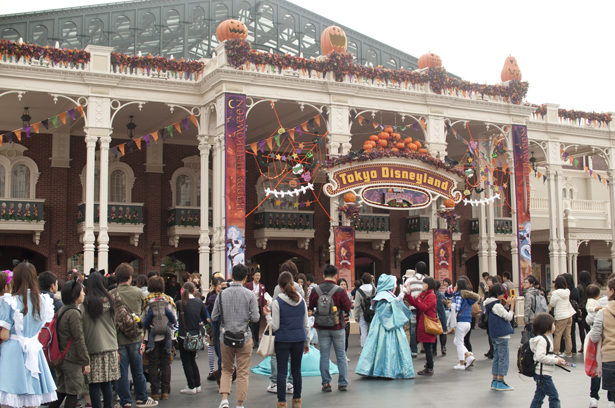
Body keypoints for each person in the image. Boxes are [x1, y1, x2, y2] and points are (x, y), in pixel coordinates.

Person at [0, 262, 57, 408]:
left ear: (16, 279)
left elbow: (5, 335)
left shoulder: (9, 301)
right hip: (34, 349)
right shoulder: (43, 301)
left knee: (10, 397)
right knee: (32, 397)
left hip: (12, 352)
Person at [212, 264, 259, 408]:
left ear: (232, 276)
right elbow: (256, 318)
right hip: (244, 337)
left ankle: (224, 399)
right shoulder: (250, 294)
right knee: (243, 372)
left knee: (226, 368)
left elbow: (214, 317)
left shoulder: (221, 294)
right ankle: (240, 404)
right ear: (246, 278)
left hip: (226, 337)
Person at [113, 263, 157, 408]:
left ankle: (125, 400)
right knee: (137, 370)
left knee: (121, 372)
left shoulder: (112, 294)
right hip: (136, 337)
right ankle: (142, 398)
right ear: (130, 277)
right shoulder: (138, 292)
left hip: (118, 338)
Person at [263, 271, 309, 408]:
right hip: (299, 339)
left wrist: (267, 317)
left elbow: (275, 326)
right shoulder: (301, 301)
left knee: (282, 372)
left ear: (280, 286)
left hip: (283, 340)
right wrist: (307, 342)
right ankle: (297, 400)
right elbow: (306, 324)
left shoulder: (277, 302)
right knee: (296, 370)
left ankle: (282, 402)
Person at [355, 274, 414, 379]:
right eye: (394, 283)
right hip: (383, 325)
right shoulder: (383, 295)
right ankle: (385, 370)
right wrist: (398, 299)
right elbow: (384, 312)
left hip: (382, 325)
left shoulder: (388, 295)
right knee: (386, 346)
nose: (395, 286)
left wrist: (399, 299)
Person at [309, 264, 352, 392]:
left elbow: (310, 306)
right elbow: (348, 307)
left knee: (324, 355)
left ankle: (326, 383)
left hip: (322, 327)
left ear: (323, 275)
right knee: (341, 355)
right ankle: (342, 382)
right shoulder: (340, 290)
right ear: (336, 276)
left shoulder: (315, 290)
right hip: (338, 326)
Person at [49, 277, 89, 408]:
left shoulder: (62, 310)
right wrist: (86, 361)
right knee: (73, 393)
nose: (83, 293)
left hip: (61, 357)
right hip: (71, 359)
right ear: (74, 295)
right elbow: (79, 339)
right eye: (81, 291)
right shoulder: (73, 313)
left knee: (61, 392)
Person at [81, 272, 120, 408]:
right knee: (107, 383)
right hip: (110, 346)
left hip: (92, 347)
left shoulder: (85, 304)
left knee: (93, 384)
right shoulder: (110, 301)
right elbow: (115, 324)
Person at [267, 261, 305, 395]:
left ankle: (277, 388)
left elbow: (275, 308)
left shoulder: (279, 289)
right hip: (298, 334)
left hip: (283, 334)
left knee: (278, 362)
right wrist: (307, 340)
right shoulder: (300, 290)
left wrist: (268, 311)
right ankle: (295, 394)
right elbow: (304, 318)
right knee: (296, 369)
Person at [142, 276, 176, 400]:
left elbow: (142, 319)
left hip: (151, 335)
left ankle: (154, 391)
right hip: (167, 336)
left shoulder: (146, 300)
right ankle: (165, 391)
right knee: (166, 364)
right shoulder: (169, 300)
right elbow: (174, 318)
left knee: (153, 364)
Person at [177, 282, 210, 395]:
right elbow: (205, 317)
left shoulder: (180, 303)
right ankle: (197, 384)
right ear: (193, 290)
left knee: (186, 361)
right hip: (195, 335)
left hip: (183, 336)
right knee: (192, 360)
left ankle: (191, 386)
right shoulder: (199, 302)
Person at [529, 313, 566, 408]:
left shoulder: (545, 339)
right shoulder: (542, 340)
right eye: (553, 324)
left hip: (541, 373)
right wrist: (555, 361)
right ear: (547, 326)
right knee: (554, 396)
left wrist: (556, 359)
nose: (555, 326)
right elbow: (540, 357)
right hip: (544, 374)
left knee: (539, 397)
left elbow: (546, 355)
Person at [484, 283, 516, 391]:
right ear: (498, 294)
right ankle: (501, 381)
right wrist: (512, 306)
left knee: (497, 357)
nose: (503, 296)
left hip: (494, 334)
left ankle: (495, 380)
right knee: (503, 357)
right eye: (502, 294)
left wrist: (506, 306)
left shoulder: (490, 304)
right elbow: (508, 317)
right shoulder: (497, 305)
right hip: (502, 334)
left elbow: (501, 313)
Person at [406, 277, 438, 376]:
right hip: (423, 323)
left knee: (428, 346)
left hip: (427, 323)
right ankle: (428, 365)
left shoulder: (431, 296)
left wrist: (419, 298)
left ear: (429, 285)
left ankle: (430, 367)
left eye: (425, 284)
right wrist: (409, 294)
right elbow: (414, 303)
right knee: (427, 345)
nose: (422, 285)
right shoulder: (425, 295)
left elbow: (424, 307)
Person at [451, 277, 479, 370]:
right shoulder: (468, 298)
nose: (454, 287)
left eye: (455, 285)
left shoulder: (459, 296)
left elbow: (456, 308)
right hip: (468, 321)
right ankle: (467, 356)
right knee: (458, 341)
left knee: (459, 343)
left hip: (461, 321)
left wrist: (450, 305)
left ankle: (462, 363)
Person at [586, 283, 605, 408]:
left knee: (596, 368)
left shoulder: (601, 302)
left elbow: (590, 319)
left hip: (599, 341)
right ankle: (611, 399)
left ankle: (594, 397)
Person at [549, 275, 576, 358]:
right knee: (567, 335)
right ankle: (568, 352)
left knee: (557, 334)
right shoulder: (567, 291)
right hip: (569, 315)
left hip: (560, 316)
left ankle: (556, 352)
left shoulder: (555, 293)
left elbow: (552, 304)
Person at [207, 276, 224, 381]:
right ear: (213, 286)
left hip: (223, 328)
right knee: (217, 351)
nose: (221, 286)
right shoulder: (212, 297)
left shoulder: (223, 295)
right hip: (215, 327)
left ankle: (219, 374)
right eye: (219, 284)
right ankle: (216, 373)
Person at [353, 273, 374, 353]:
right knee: (371, 331)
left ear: (362, 281)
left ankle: (364, 350)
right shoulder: (374, 289)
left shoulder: (359, 291)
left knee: (364, 332)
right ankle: (372, 348)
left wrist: (356, 316)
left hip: (362, 314)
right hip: (373, 313)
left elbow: (357, 304)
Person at [245, 270, 266, 349]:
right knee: (250, 325)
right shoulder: (248, 285)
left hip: (258, 307)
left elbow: (263, 298)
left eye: (259, 276)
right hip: (250, 307)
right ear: (253, 276)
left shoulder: (262, 286)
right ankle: (251, 340)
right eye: (256, 275)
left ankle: (256, 341)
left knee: (257, 325)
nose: (257, 277)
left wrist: (264, 307)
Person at [560, 273, 580, 354]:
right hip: (572, 313)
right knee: (571, 333)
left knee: (561, 333)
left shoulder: (562, 291)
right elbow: (578, 300)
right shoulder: (575, 290)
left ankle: (562, 349)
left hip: (563, 313)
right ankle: (573, 349)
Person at [337, 278, 353, 356]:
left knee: (346, 338)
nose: (343, 286)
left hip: (347, 319)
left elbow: (351, 305)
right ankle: (341, 355)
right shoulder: (336, 295)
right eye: (341, 284)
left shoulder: (348, 294)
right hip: (339, 319)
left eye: (344, 284)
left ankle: (344, 354)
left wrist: (351, 304)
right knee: (340, 339)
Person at [433, 280, 448, 356]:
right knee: (443, 332)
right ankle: (443, 347)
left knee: (434, 333)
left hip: (433, 316)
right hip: (441, 315)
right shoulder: (441, 295)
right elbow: (446, 305)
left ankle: (434, 350)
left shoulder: (431, 295)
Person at [578, 270, 592, 351]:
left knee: (581, 328)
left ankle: (583, 345)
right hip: (589, 307)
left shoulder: (579, 287)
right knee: (588, 327)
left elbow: (578, 298)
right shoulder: (591, 286)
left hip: (582, 308)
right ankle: (589, 344)